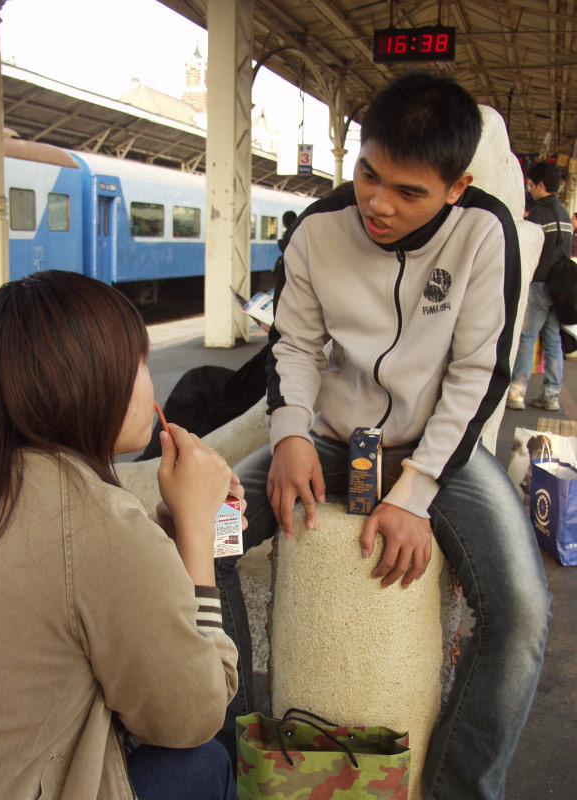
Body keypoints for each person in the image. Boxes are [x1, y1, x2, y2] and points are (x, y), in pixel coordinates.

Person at [222, 71, 550, 800]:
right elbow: (294, 350)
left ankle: (458, 790)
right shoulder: (316, 231)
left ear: (456, 185)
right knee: (202, 531)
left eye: (410, 192)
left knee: (521, 609)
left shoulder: (486, 234)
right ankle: (234, 754)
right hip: (331, 439)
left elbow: (478, 377)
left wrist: (415, 494)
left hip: (441, 452)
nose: (378, 203)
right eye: (369, 174)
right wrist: (289, 437)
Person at [0, 271, 241, 800]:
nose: (150, 381)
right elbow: (192, 715)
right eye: (139, 362)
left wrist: (168, 539)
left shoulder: (3, 480)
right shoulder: (96, 522)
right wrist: (196, 536)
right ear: (89, 379)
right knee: (203, 762)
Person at [506, 161, 573, 411]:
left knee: (527, 338)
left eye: (532, 185)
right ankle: (552, 395)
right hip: (559, 289)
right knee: (553, 340)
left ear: (541, 185)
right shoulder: (565, 215)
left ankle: (516, 392)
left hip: (538, 286)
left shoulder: (538, 215)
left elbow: (527, 253)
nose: (531, 189)